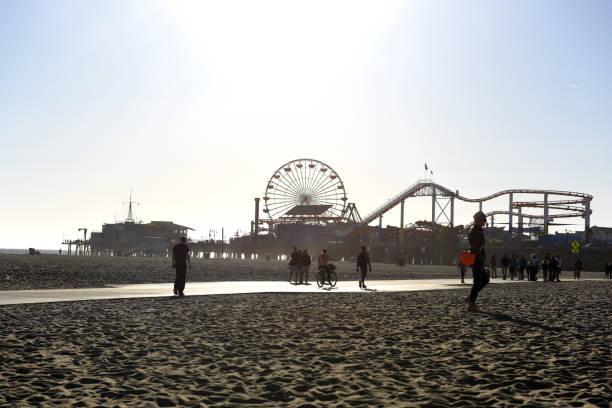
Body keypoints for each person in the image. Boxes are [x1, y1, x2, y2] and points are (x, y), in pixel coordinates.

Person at [465, 211, 489, 312]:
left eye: (485, 219)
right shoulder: (474, 231)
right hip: (476, 259)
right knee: (477, 282)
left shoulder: (479, 230)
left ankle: (470, 298)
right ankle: (471, 304)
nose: (485, 221)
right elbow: (475, 247)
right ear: (477, 220)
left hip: (478, 259)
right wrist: (480, 256)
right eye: (483, 219)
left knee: (485, 280)